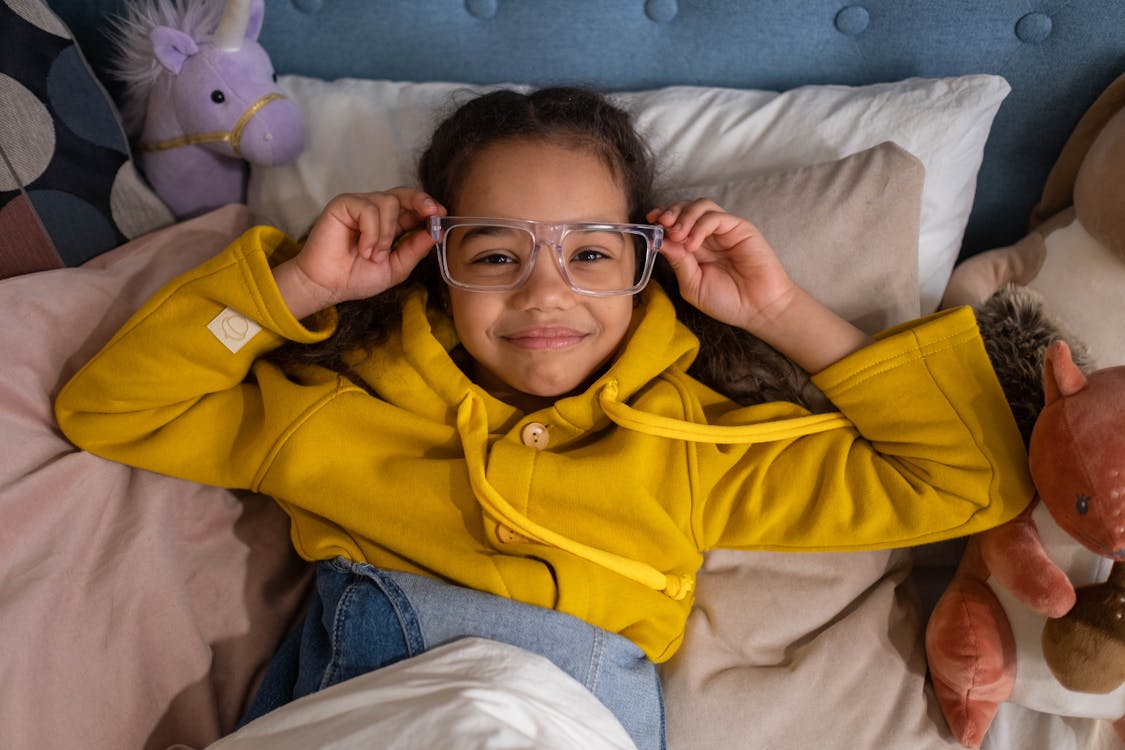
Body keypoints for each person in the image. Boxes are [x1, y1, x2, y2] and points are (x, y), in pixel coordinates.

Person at [55, 87, 1033, 750]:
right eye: (496, 255)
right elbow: (111, 409)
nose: (544, 293)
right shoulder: (336, 410)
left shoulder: (699, 449)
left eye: (591, 256)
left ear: (647, 265)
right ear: (438, 265)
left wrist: (781, 312)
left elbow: (970, 478)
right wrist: (301, 280)